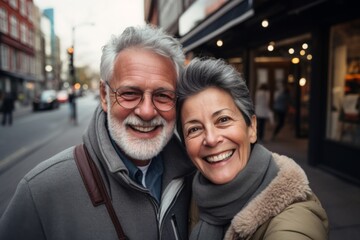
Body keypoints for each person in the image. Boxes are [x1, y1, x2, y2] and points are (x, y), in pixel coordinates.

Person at [0, 25, 196, 240]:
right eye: (130, 93)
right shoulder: (41, 191)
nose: (147, 111)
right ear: (104, 96)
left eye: (162, 96)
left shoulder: (197, 176)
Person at [176, 58, 328, 240]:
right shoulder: (190, 193)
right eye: (194, 129)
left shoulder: (295, 216)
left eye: (223, 120)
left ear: (252, 128)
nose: (211, 139)